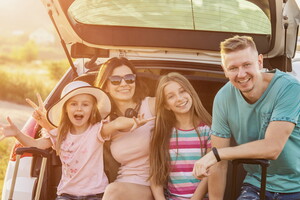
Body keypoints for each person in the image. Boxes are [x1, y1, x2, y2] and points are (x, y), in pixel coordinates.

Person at [0, 81, 151, 200]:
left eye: (85, 104)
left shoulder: (97, 130)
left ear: (93, 110)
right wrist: (16, 133)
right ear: (65, 109)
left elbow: (117, 123)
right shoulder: (60, 134)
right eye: (73, 104)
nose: (79, 108)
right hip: (66, 195)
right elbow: (36, 144)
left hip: (96, 194)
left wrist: (133, 122)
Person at [192, 35, 300, 200]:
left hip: (295, 185)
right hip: (256, 183)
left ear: (260, 62)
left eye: (247, 65)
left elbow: (272, 148)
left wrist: (218, 154)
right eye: (233, 68)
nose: (241, 74)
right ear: (224, 69)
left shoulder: (289, 88)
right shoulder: (223, 98)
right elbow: (219, 165)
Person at [94, 57, 156, 200]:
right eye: (116, 80)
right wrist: (117, 124)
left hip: (153, 185)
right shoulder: (106, 122)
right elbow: (80, 134)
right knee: (114, 190)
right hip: (123, 185)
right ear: (105, 87)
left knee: (113, 191)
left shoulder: (152, 105)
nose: (124, 84)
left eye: (129, 78)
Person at [149, 72, 212, 200]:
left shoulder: (208, 129)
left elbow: (211, 172)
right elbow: (155, 175)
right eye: (171, 96)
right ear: (166, 105)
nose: (179, 98)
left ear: (191, 93)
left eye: (182, 91)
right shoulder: (162, 133)